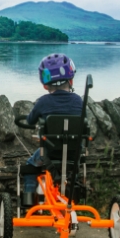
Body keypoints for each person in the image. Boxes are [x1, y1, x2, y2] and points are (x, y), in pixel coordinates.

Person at [24, 53, 83, 195]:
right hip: (74, 154)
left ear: (45, 85)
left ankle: (29, 200)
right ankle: (71, 195)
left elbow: (30, 121)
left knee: (30, 166)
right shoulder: (78, 101)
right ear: (71, 81)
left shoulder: (43, 101)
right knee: (72, 169)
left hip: (48, 154)